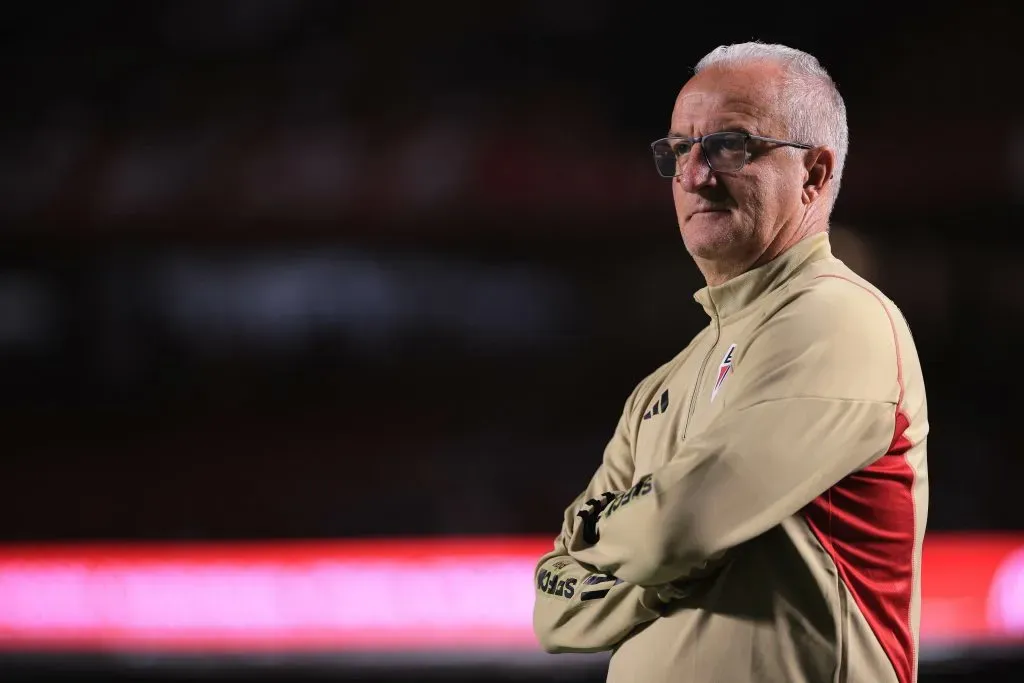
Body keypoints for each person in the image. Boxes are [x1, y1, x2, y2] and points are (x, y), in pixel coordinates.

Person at [532, 42, 928, 683]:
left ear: (815, 173)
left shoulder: (839, 319)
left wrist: (633, 549)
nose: (694, 175)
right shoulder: (662, 383)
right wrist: (670, 556)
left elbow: (672, 532)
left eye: (730, 145)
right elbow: (554, 613)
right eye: (679, 150)